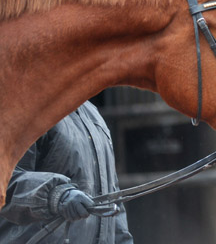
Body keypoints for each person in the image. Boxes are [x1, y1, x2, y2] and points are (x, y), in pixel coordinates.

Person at [0, 101, 134, 243]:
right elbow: (5, 180)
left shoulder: (93, 114)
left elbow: (112, 199)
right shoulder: (24, 103)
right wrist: (56, 195)